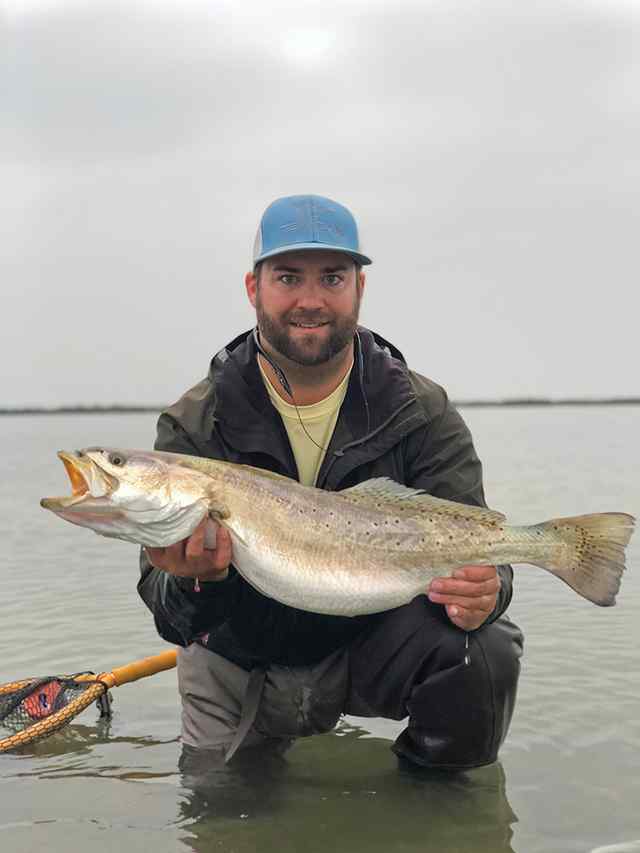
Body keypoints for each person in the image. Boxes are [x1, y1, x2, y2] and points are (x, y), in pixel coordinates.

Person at [138, 194, 523, 770]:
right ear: (253, 288)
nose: (311, 300)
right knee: (221, 819)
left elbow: (477, 540)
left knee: (486, 649)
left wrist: (491, 591)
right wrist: (196, 582)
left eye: (333, 278)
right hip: (240, 660)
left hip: (369, 648)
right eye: (288, 277)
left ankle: (431, 804)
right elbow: (170, 615)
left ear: (359, 290)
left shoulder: (422, 410)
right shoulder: (194, 422)